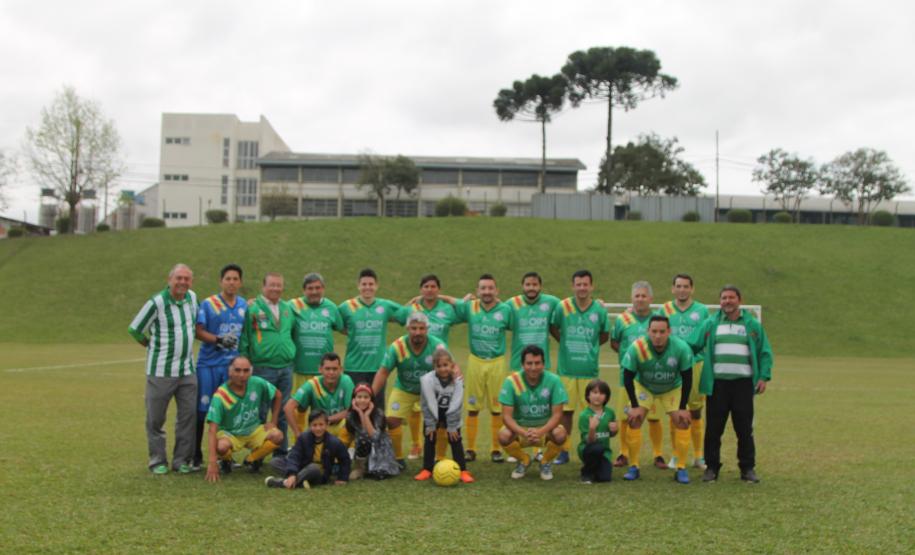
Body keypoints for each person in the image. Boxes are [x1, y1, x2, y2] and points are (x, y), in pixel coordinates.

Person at [690, 285, 773, 483]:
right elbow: (692, 345)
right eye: (724, 298)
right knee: (713, 429)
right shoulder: (710, 323)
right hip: (717, 385)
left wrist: (763, 377)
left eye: (731, 297)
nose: (727, 301)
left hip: (743, 385)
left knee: (744, 429)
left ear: (739, 300)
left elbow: (764, 352)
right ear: (720, 301)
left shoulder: (751, 325)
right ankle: (711, 468)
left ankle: (747, 468)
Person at [128, 263, 199, 475]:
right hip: (160, 372)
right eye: (179, 278)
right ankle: (157, 460)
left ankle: (181, 460)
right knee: (156, 418)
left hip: (187, 370)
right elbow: (135, 329)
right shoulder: (157, 303)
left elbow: (196, 324)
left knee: (188, 417)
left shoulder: (192, 298)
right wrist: (150, 345)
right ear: (170, 280)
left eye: (186, 279)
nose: (183, 282)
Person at [620, 315, 695, 484]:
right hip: (644, 387)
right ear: (648, 331)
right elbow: (628, 377)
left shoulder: (681, 348)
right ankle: (633, 466)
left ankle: (681, 468)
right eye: (654, 331)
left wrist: (683, 407)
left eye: (662, 331)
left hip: (672, 387)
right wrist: (634, 405)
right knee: (634, 419)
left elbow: (687, 378)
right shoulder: (638, 347)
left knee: (683, 421)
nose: (658, 336)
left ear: (669, 331)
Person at [549, 269, 610, 465]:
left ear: (592, 286)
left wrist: (591, 346)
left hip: (588, 371)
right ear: (573, 286)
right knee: (565, 413)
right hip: (566, 370)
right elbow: (553, 326)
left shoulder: (599, 310)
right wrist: (564, 342)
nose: (582, 288)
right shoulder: (563, 307)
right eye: (578, 284)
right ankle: (564, 450)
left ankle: (588, 450)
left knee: (590, 414)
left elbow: (604, 335)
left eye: (585, 284)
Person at [371, 312, 446, 468]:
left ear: (427, 329)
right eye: (414, 328)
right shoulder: (397, 347)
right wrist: (371, 395)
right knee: (391, 419)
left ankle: (439, 458)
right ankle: (398, 459)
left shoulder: (437, 346)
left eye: (421, 328)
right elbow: (383, 372)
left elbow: (450, 369)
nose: (417, 332)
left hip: (430, 390)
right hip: (404, 388)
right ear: (407, 328)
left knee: (439, 421)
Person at [192, 263, 247, 471]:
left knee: (228, 411)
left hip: (231, 368)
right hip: (209, 365)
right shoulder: (209, 304)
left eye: (235, 279)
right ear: (221, 281)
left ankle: (226, 456)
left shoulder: (243, 305)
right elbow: (198, 331)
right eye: (228, 279)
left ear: (240, 282)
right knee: (203, 410)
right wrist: (218, 340)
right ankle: (196, 454)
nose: (231, 282)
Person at [454, 273, 513, 462]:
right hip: (475, 362)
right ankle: (470, 449)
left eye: (490, 288)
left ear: (497, 291)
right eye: (483, 288)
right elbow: (452, 306)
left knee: (497, 408)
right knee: (472, 407)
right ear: (477, 291)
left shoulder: (506, 310)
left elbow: (518, 328)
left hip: (496, 363)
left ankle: (496, 450)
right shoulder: (470, 307)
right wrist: (461, 300)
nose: (487, 291)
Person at [238, 272, 296, 465]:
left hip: (286, 368)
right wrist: (245, 362)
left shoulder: (287, 308)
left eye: (279, 285)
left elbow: (291, 333)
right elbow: (245, 336)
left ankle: (280, 454)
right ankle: (257, 456)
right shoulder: (253, 308)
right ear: (263, 287)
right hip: (263, 368)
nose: (275, 289)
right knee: (261, 412)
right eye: (272, 285)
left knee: (284, 411)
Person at [403, 274, 461, 460]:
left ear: (439, 289)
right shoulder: (413, 308)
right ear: (421, 289)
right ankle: (415, 445)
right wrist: (412, 301)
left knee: (441, 410)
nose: (429, 289)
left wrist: (443, 298)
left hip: (440, 366)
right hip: (419, 362)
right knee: (417, 408)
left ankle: (439, 454)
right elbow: (401, 313)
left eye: (433, 286)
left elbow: (463, 306)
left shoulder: (447, 309)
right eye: (426, 286)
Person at [658, 273, 710, 470]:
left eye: (686, 286)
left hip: (695, 364)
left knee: (695, 411)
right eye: (678, 286)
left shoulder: (702, 310)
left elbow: (707, 336)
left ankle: (698, 456)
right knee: (675, 411)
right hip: (672, 365)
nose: (682, 290)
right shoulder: (664, 309)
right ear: (673, 289)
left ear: (692, 289)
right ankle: (676, 455)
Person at [204, 356, 284, 483]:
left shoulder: (257, 383)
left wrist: (273, 422)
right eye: (237, 370)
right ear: (230, 372)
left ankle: (251, 460)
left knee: (278, 435)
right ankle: (225, 461)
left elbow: (278, 395)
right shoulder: (221, 396)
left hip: (253, 430)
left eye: (246, 370)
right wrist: (212, 461)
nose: (242, 375)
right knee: (221, 446)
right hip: (230, 434)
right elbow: (212, 430)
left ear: (251, 372)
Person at [497, 345, 569, 480]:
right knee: (503, 435)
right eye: (529, 363)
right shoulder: (511, 381)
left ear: (544, 364)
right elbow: (506, 417)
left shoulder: (554, 380)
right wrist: (524, 433)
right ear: (522, 364)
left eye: (537, 363)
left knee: (561, 434)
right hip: (521, 430)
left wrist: (540, 431)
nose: (533, 367)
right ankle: (524, 460)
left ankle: (545, 462)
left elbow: (557, 415)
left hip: (545, 430)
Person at [338, 268, 407, 407]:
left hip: (378, 368)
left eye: (371, 284)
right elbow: (335, 323)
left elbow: (406, 314)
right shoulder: (347, 306)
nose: (367, 287)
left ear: (376, 286)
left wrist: (416, 301)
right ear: (358, 286)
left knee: (377, 407)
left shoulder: (385, 306)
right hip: (354, 367)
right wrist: (352, 332)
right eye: (364, 284)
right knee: (354, 407)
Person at [288, 272, 345, 437]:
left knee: (323, 409)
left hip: (325, 371)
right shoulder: (293, 305)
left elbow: (342, 327)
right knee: (300, 408)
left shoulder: (331, 307)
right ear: (304, 290)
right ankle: (300, 441)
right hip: (301, 369)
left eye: (317, 288)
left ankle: (324, 442)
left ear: (323, 288)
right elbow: (275, 310)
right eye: (310, 288)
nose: (314, 291)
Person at [610, 280, 658, 469]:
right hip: (627, 376)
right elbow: (615, 342)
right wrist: (628, 358)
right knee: (625, 417)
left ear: (650, 298)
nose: (640, 299)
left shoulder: (657, 319)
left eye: (643, 296)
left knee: (654, 417)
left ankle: (658, 455)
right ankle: (623, 453)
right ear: (632, 298)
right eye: (637, 296)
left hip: (651, 378)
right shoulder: (622, 319)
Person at [414, 349, 474, 483]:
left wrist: (452, 426)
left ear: (452, 365)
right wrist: (430, 424)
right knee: (430, 437)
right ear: (434, 367)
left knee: (455, 439)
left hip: (452, 413)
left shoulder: (458, 380)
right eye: (439, 366)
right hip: (432, 413)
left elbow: (457, 403)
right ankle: (427, 469)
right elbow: (426, 403)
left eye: (445, 365)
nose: (442, 369)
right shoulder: (427, 380)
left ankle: (463, 470)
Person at [265, 410, 350, 489]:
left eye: (321, 425)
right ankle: (300, 481)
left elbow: (345, 459)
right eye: (314, 425)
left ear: (327, 425)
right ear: (309, 426)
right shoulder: (303, 438)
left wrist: (342, 478)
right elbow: (295, 455)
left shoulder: (334, 442)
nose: (318, 428)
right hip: (303, 467)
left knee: (313, 468)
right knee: (275, 462)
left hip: (319, 473)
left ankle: (283, 483)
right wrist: (292, 473)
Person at [284, 352, 354, 445]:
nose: (331, 372)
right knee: (299, 411)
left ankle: (347, 449)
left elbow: (350, 410)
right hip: (319, 428)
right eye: (327, 369)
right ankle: (301, 444)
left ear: (341, 369)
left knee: (351, 420)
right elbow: (288, 407)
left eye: (335, 369)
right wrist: (297, 433)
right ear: (320, 369)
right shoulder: (312, 384)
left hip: (339, 426)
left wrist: (328, 419)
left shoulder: (346, 381)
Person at [345, 383, 400, 480]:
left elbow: (374, 437)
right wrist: (360, 413)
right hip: (364, 447)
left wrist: (366, 415)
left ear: (371, 399)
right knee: (362, 439)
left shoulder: (378, 413)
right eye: (359, 397)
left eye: (366, 397)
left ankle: (375, 467)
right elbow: (362, 433)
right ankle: (360, 468)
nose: (362, 400)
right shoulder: (351, 416)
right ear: (354, 399)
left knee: (378, 474)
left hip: (380, 449)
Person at [577, 379, 618, 484]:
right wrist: (592, 429)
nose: (598, 396)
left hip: (604, 452)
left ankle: (596, 468)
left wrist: (614, 430)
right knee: (596, 447)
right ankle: (586, 473)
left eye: (602, 393)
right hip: (588, 449)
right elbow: (589, 441)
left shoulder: (610, 413)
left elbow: (611, 434)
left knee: (604, 478)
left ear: (606, 397)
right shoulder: (584, 415)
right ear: (588, 395)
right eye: (594, 392)